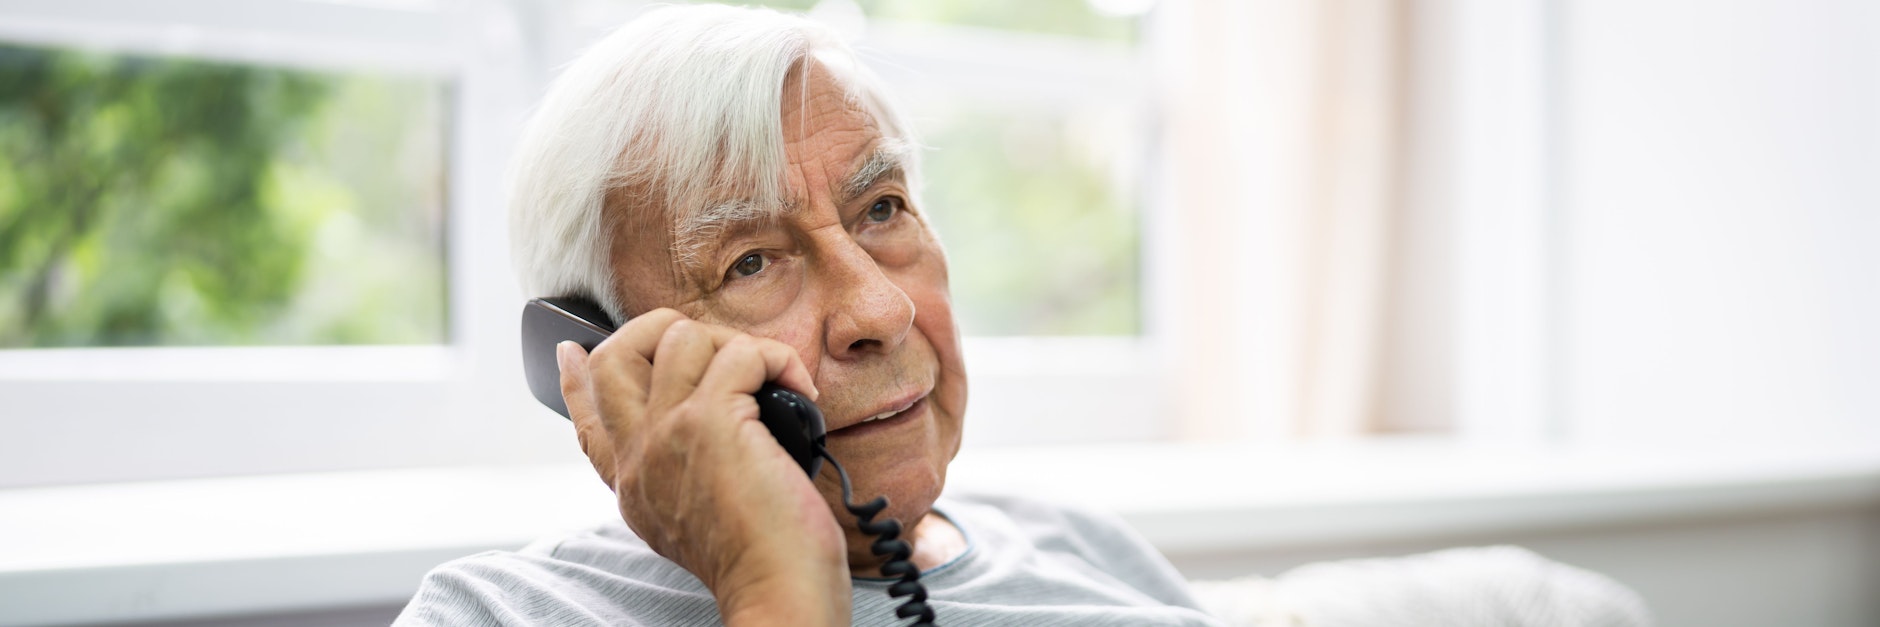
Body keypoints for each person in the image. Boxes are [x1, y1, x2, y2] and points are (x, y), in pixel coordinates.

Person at [395, 4, 1222, 626]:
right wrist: (770, 585)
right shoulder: (496, 613)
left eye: (882, 210)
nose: (881, 309)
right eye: (749, 262)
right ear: (606, 356)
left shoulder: (1083, 542)